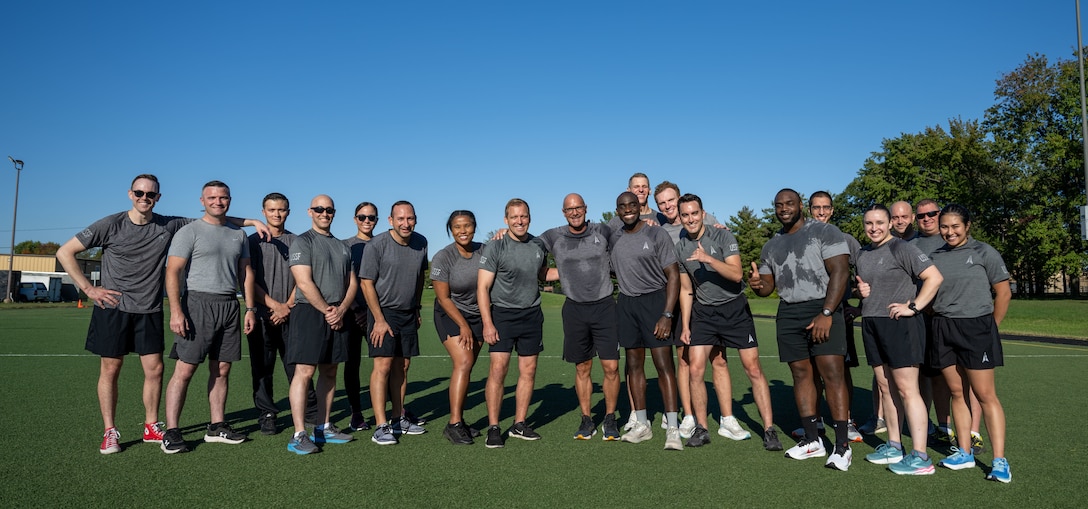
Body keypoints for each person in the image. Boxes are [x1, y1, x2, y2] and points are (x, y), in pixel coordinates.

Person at [55, 174, 266, 454]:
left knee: (155, 370)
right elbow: (65, 252)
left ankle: (152, 426)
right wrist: (88, 289)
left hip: (150, 308)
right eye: (140, 193)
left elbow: (214, 216)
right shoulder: (110, 224)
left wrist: (252, 221)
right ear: (131, 194)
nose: (145, 198)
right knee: (111, 368)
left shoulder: (168, 224)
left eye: (151, 195)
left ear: (158, 197)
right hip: (113, 307)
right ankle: (110, 431)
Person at [749, 188, 853, 471]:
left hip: (823, 306)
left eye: (789, 203)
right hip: (789, 311)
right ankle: (813, 439)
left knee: (832, 374)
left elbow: (841, 272)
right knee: (801, 375)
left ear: (801, 206)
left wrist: (827, 312)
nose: (784, 208)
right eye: (779, 205)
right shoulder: (772, 245)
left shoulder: (825, 231)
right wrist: (759, 286)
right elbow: (769, 287)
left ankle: (842, 447)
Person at [675, 194, 779, 450]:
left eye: (694, 213)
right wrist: (686, 325)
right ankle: (702, 428)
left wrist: (708, 259)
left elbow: (736, 274)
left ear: (702, 213)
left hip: (734, 310)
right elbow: (686, 289)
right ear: (681, 217)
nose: (690, 219)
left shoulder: (722, 236)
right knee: (696, 368)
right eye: (685, 215)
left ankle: (769, 430)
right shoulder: (679, 246)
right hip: (704, 313)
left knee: (753, 368)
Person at [162, 180, 258, 454]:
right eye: (212, 197)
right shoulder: (189, 231)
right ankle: (172, 430)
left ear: (230, 200)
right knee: (185, 369)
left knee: (222, 369)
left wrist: (249, 308)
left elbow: (245, 273)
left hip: (229, 305)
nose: (218, 201)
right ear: (202, 200)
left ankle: (217, 426)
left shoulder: (238, 234)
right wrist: (176, 311)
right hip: (197, 304)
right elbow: (173, 272)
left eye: (223, 197)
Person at [854, 204, 944, 475]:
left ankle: (921, 457)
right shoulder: (862, 253)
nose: (874, 228)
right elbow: (869, 288)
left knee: (907, 390)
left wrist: (913, 306)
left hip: (900, 325)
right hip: (872, 323)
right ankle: (894, 445)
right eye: (869, 223)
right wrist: (860, 291)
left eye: (879, 222)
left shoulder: (902, 248)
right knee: (886, 388)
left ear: (890, 223)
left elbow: (934, 278)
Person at [929, 204, 1012, 483]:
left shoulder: (983, 252)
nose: (949, 232)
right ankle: (964, 453)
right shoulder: (934, 255)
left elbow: (1003, 292)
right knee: (957, 393)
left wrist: (992, 327)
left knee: (985, 395)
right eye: (944, 227)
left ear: (967, 226)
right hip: (944, 327)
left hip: (977, 327)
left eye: (955, 226)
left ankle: (1000, 461)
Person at [540, 194, 622, 441]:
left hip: (605, 306)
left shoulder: (603, 230)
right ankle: (586, 419)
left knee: (611, 366)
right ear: (563, 212)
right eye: (569, 209)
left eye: (578, 208)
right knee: (583, 366)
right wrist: (503, 233)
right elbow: (526, 246)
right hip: (575, 309)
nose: (574, 212)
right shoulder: (553, 235)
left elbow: (631, 235)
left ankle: (609, 417)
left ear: (586, 209)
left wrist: (651, 222)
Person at [609, 192, 683, 450]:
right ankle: (642, 424)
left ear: (640, 207)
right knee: (633, 364)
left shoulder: (655, 234)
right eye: (622, 206)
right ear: (617, 210)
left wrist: (667, 314)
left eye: (632, 205)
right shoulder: (614, 236)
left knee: (664, 365)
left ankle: (672, 427)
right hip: (627, 304)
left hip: (655, 302)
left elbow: (673, 274)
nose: (628, 209)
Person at [650, 180, 724, 438]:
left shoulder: (706, 219)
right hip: (677, 296)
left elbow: (720, 238)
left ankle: (726, 417)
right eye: (662, 203)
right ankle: (688, 415)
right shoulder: (656, 225)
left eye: (671, 200)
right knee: (683, 357)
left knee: (715, 358)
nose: (668, 206)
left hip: (704, 297)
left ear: (680, 200)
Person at [285, 195, 358, 454]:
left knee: (329, 371)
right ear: (310, 212)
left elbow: (353, 283)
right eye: (319, 209)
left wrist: (341, 309)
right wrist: (327, 310)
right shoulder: (302, 241)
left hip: (338, 313)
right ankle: (298, 434)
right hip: (310, 313)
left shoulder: (342, 246)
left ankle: (323, 426)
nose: (324, 213)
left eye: (328, 210)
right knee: (304, 372)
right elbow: (303, 282)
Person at [478, 198, 548, 448]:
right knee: (498, 371)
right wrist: (488, 323)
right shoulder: (495, 246)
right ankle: (494, 427)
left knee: (528, 372)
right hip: (503, 316)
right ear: (506, 220)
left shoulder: (539, 245)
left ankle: (519, 424)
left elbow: (543, 275)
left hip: (531, 315)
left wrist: (581, 269)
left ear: (529, 217)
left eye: (524, 216)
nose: (520, 221)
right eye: (514, 217)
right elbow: (483, 287)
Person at [246, 192, 318, 435]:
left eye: (282, 210)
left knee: (298, 366)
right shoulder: (251, 242)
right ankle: (267, 413)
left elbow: (303, 278)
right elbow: (246, 280)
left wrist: (286, 306)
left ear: (288, 211)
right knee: (262, 368)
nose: (277, 214)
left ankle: (310, 410)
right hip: (261, 315)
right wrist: (273, 305)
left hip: (293, 314)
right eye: (272, 210)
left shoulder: (299, 241)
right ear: (263, 212)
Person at [359, 200, 429, 445]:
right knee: (383, 366)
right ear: (391, 221)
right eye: (400, 219)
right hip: (383, 313)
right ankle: (381, 426)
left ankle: (399, 418)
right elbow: (366, 283)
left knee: (403, 366)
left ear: (415, 219)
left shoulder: (421, 243)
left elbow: (420, 276)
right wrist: (378, 319)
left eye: (409, 218)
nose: (405, 223)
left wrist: (417, 306)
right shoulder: (376, 245)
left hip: (409, 313)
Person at [803, 191, 863, 444]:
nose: (821, 212)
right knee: (812, 369)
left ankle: (847, 421)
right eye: (816, 208)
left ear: (833, 210)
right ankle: (815, 420)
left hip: (838, 314)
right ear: (809, 210)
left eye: (826, 207)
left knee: (841, 370)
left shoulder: (846, 239)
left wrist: (859, 306)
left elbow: (866, 272)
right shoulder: (801, 237)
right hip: (808, 312)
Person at [431, 210, 486, 445]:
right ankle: (453, 424)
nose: (462, 231)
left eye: (467, 226)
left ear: (474, 227)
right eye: (457, 227)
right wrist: (463, 326)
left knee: (468, 366)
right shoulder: (443, 257)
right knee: (463, 362)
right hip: (450, 314)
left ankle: (460, 421)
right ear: (450, 230)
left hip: (478, 315)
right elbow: (443, 298)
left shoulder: (485, 251)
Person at [343, 201, 379, 432]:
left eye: (371, 217)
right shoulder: (344, 246)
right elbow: (342, 280)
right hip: (352, 315)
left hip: (379, 314)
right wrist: (354, 309)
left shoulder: (384, 243)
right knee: (352, 364)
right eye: (362, 217)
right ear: (355, 219)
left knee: (385, 364)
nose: (367, 221)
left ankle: (391, 411)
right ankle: (356, 413)